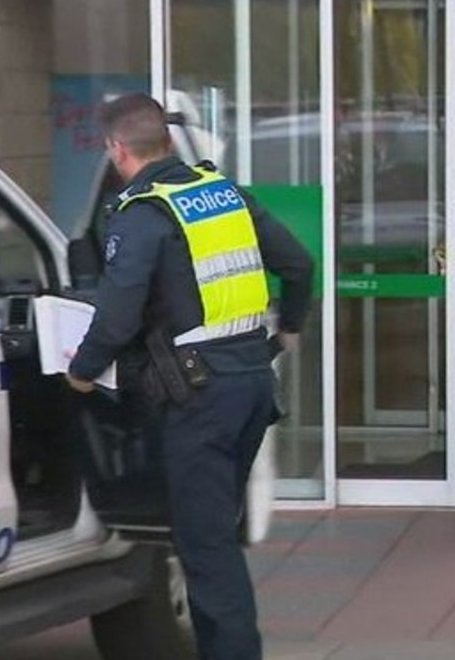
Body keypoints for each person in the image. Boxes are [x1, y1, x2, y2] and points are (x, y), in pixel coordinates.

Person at [66, 92, 314, 660]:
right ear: (169, 142)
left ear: (116, 149)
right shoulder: (223, 194)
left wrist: (80, 373)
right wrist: (290, 328)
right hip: (252, 385)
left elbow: (119, 313)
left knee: (206, 549)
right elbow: (299, 264)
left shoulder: (143, 214)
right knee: (214, 537)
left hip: (200, 398)